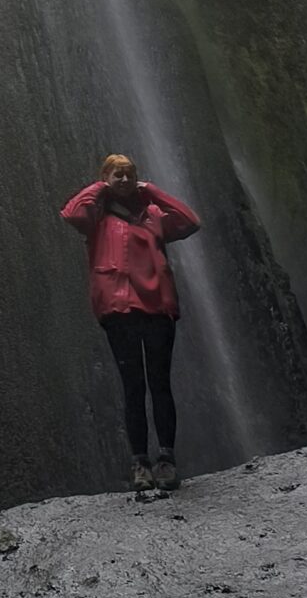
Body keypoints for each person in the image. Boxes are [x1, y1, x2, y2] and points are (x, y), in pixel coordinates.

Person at [60, 154, 202, 499]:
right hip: (118, 307)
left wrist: (150, 190)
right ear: (106, 178)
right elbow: (72, 212)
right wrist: (100, 186)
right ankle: (140, 463)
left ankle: (166, 458)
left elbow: (189, 220)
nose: (123, 180)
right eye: (116, 174)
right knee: (133, 387)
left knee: (160, 384)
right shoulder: (96, 218)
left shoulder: (153, 216)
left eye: (128, 175)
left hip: (157, 307)